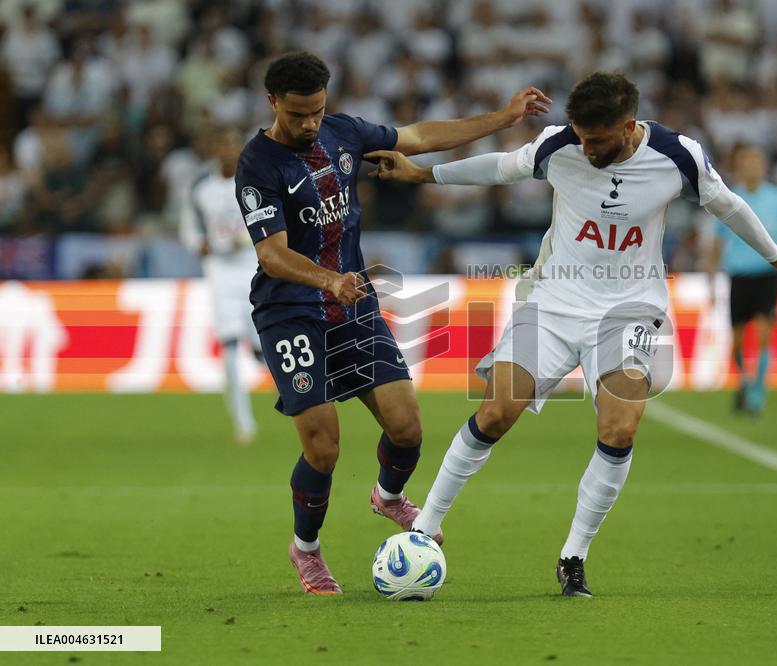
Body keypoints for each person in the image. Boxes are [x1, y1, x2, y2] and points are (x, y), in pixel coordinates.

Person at [365, 72, 777, 597]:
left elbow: (728, 205)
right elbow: (500, 167)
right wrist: (422, 175)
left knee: (620, 429)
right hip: (554, 301)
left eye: (597, 140)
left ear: (628, 127)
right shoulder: (559, 144)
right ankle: (423, 533)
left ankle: (574, 556)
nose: (585, 149)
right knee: (496, 412)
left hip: (632, 310)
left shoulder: (678, 155)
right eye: (580, 136)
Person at [234, 51, 550, 595]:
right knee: (323, 447)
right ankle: (306, 551)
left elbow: (420, 135)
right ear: (272, 103)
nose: (310, 124)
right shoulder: (258, 164)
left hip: (350, 302)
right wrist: (328, 280)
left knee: (407, 429)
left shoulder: (343, 132)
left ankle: (387, 496)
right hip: (290, 312)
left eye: (317, 111)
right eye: (298, 115)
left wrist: (500, 119)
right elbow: (272, 255)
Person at [706, 143, 777, 415]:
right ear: (738, 167)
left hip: (767, 276)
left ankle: (757, 394)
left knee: (765, 334)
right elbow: (716, 244)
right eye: (746, 162)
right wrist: (710, 278)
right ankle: (744, 379)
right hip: (738, 276)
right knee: (739, 341)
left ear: (764, 166)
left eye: (756, 161)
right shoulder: (730, 199)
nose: (752, 166)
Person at [180, 127, 263, 444]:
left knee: (262, 348)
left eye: (233, 146)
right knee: (229, 343)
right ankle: (244, 423)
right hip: (219, 271)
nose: (228, 152)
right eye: (222, 146)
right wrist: (198, 244)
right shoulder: (201, 188)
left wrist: (252, 237)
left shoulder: (255, 181)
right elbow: (189, 229)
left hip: (253, 267)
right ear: (215, 150)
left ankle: (294, 397)